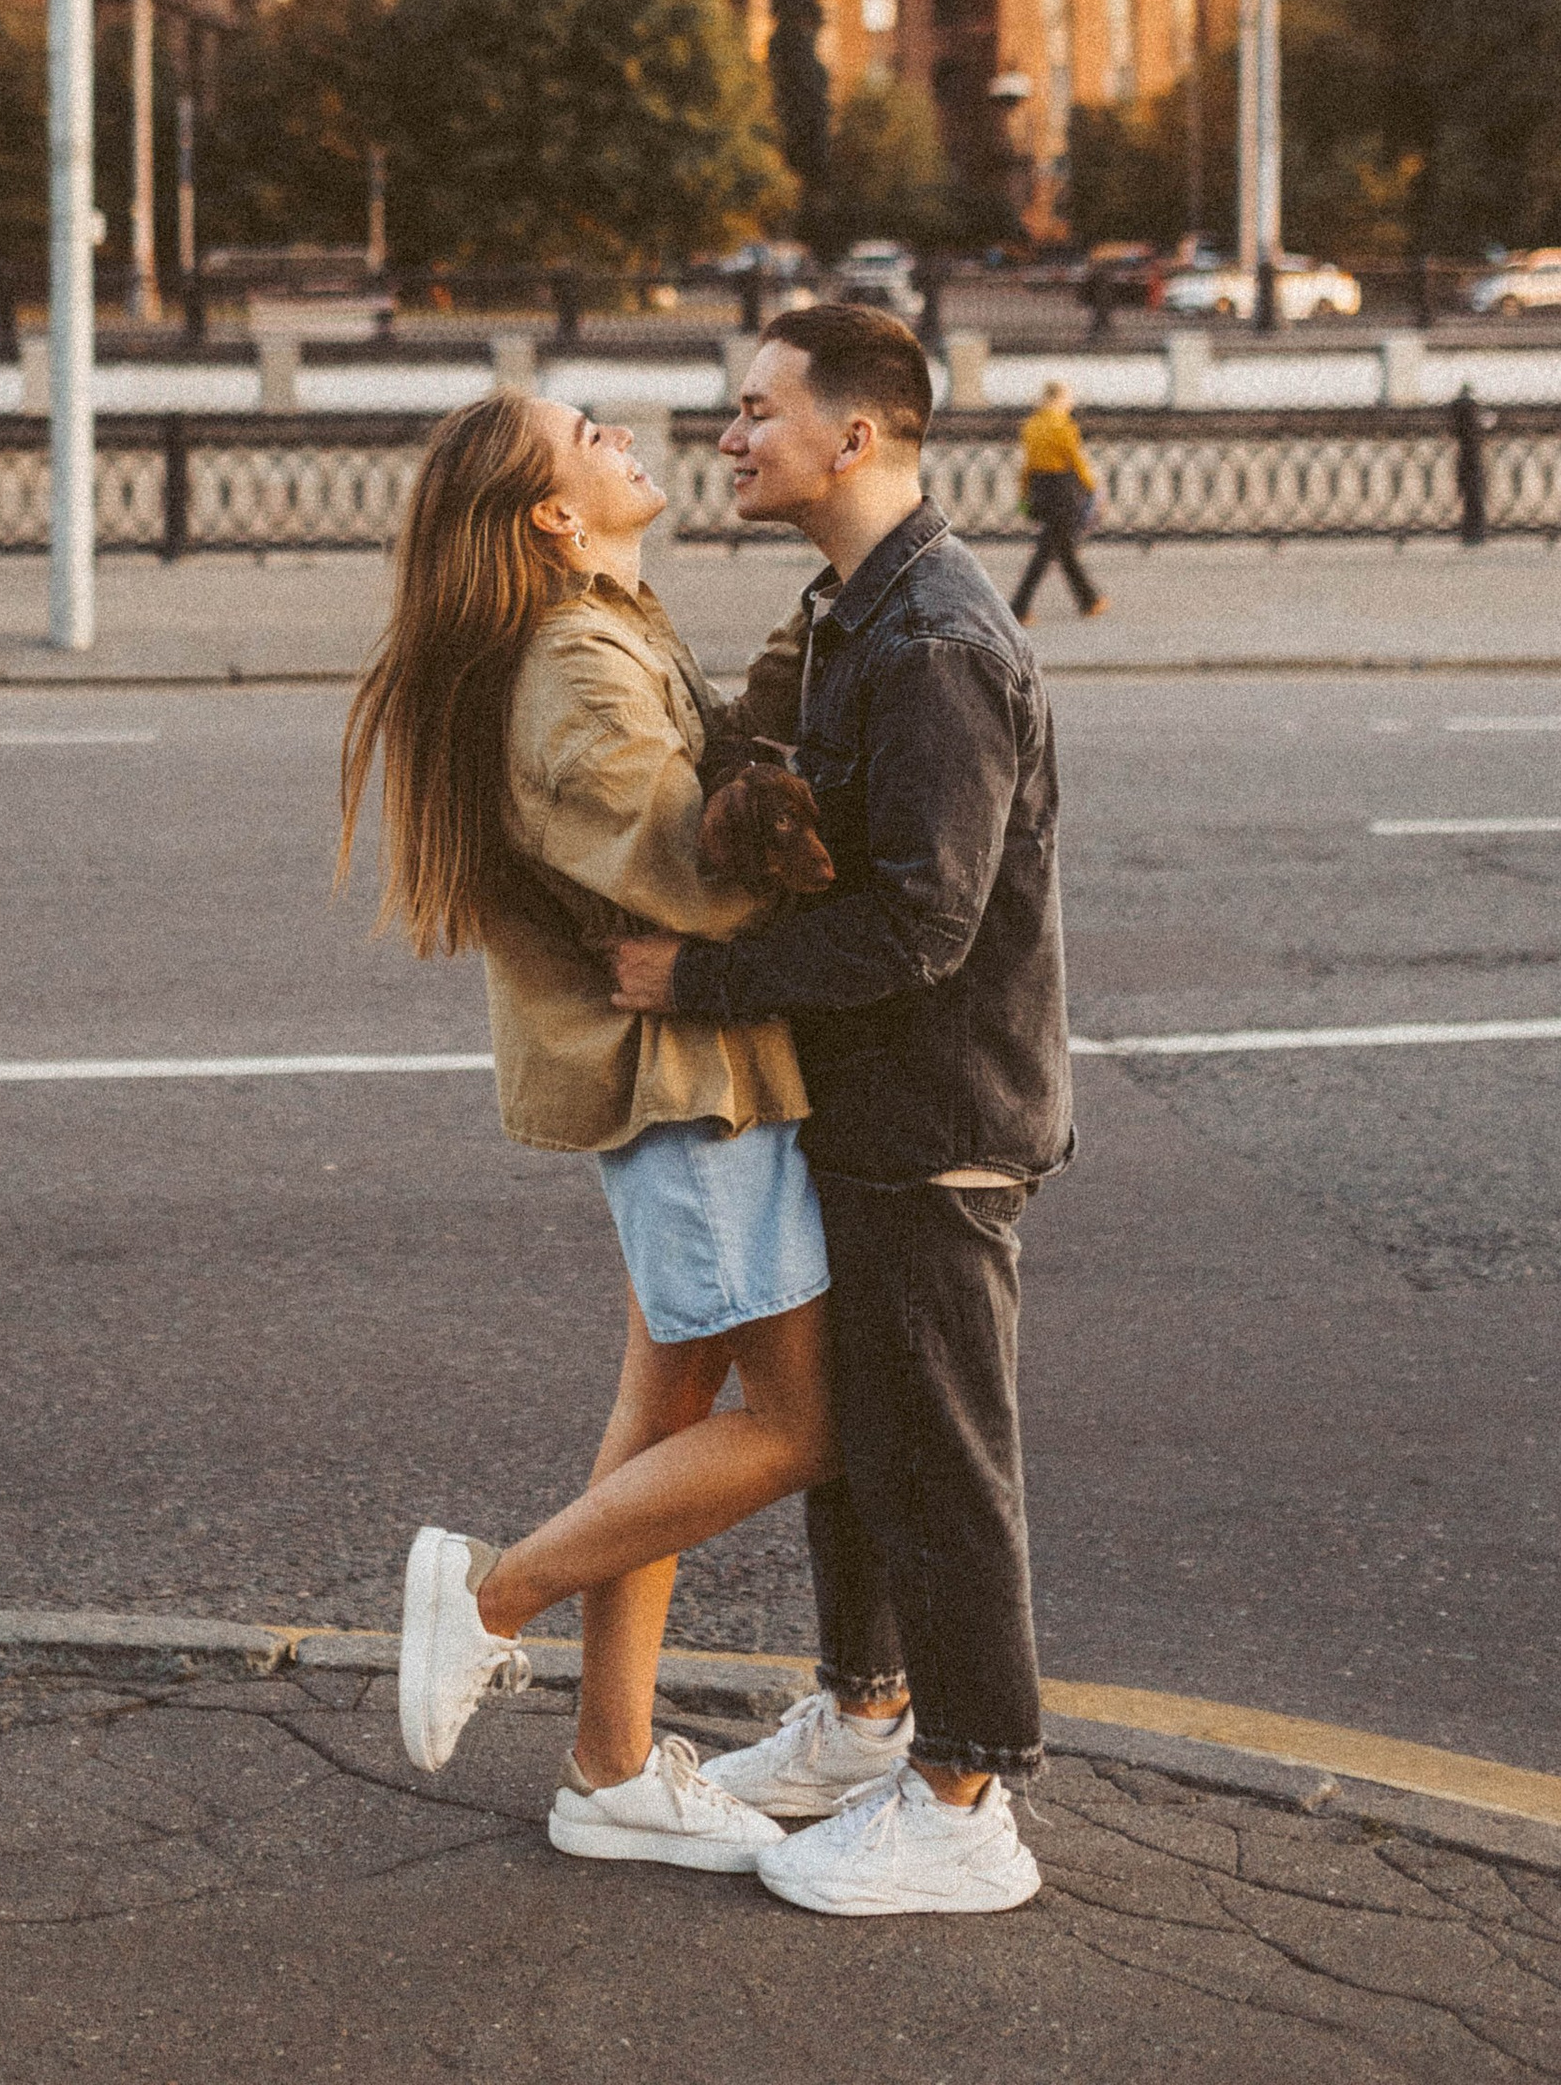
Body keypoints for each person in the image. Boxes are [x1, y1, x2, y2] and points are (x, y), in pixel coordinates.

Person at [611, 304, 1070, 1918]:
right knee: (864, 1441)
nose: (729, 436)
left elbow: (926, 925)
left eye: (757, 410)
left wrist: (700, 980)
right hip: (866, 1103)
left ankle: (967, 1799)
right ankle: (868, 1718)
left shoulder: (935, 642)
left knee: (940, 1455)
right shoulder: (844, 613)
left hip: (941, 1112)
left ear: (854, 435)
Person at [339, 391, 839, 1876]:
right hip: (692, 1092)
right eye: (589, 433)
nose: (626, 436)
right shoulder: (571, 661)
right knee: (808, 1425)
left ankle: (611, 1769)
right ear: (554, 516)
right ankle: (490, 1599)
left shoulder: (607, 625)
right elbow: (698, 871)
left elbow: (700, 790)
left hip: (700, 1080)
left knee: (667, 1426)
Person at [1012, 375, 1107, 622]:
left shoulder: (1031, 426)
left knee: (1061, 547)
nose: (1071, 402)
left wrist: (1023, 495)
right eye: (1068, 398)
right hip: (1063, 489)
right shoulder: (1064, 427)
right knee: (1047, 551)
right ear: (1058, 399)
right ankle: (1018, 607)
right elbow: (1077, 462)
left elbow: (1026, 467)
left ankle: (1089, 600)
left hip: (1040, 489)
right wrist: (1092, 488)